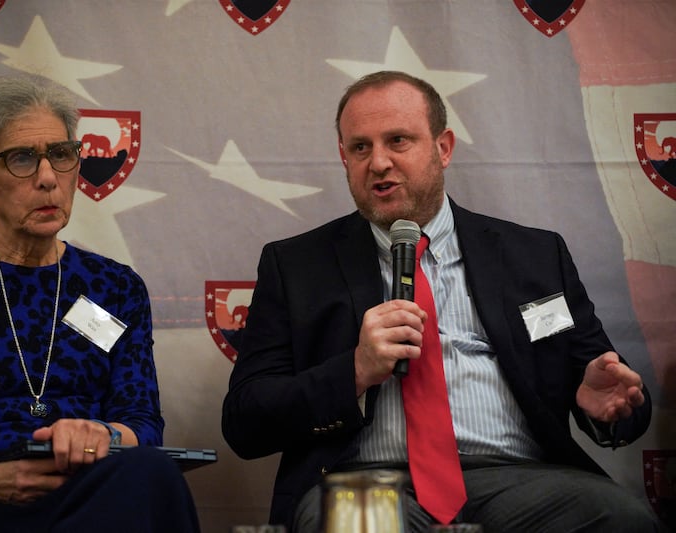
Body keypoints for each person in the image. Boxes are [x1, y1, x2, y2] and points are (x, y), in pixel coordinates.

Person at [221, 70, 662, 532]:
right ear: (343, 157)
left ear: (443, 147)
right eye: (360, 147)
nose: (378, 162)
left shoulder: (534, 257)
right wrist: (354, 370)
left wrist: (610, 405)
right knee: (352, 524)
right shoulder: (295, 266)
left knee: (622, 519)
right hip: (366, 486)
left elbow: (611, 389)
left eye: (398, 140)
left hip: (521, 481)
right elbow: (245, 422)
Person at [0, 74, 200, 533]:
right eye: (22, 159)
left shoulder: (114, 287)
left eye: (62, 155)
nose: (48, 179)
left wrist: (103, 435)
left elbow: (143, 424)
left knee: (151, 472)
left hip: (86, 494)